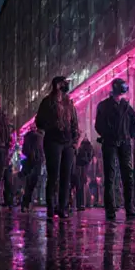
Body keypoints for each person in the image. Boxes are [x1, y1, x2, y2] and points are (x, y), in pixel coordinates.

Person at [95, 78, 135, 222]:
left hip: (123, 143)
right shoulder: (105, 106)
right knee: (110, 176)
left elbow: (134, 124)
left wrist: (129, 136)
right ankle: (111, 210)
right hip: (110, 143)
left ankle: (129, 208)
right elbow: (98, 125)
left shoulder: (126, 106)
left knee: (127, 176)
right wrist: (108, 135)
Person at [35, 75, 79, 219]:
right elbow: (39, 122)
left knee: (66, 176)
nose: (67, 85)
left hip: (68, 143)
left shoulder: (69, 103)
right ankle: (51, 206)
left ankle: (62, 207)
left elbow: (74, 122)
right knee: (53, 175)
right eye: (64, 83)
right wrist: (51, 126)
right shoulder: (47, 102)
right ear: (58, 85)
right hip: (53, 141)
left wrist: (74, 141)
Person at [20, 126, 44, 208]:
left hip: (32, 160)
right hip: (34, 161)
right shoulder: (38, 136)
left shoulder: (30, 136)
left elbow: (25, 150)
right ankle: (27, 202)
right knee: (31, 182)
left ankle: (27, 202)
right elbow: (41, 149)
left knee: (31, 182)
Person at [73, 137, 94, 212]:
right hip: (81, 167)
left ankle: (80, 204)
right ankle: (81, 204)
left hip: (79, 167)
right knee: (80, 185)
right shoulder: (88, 147)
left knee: (79, 185)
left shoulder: (84, 146)